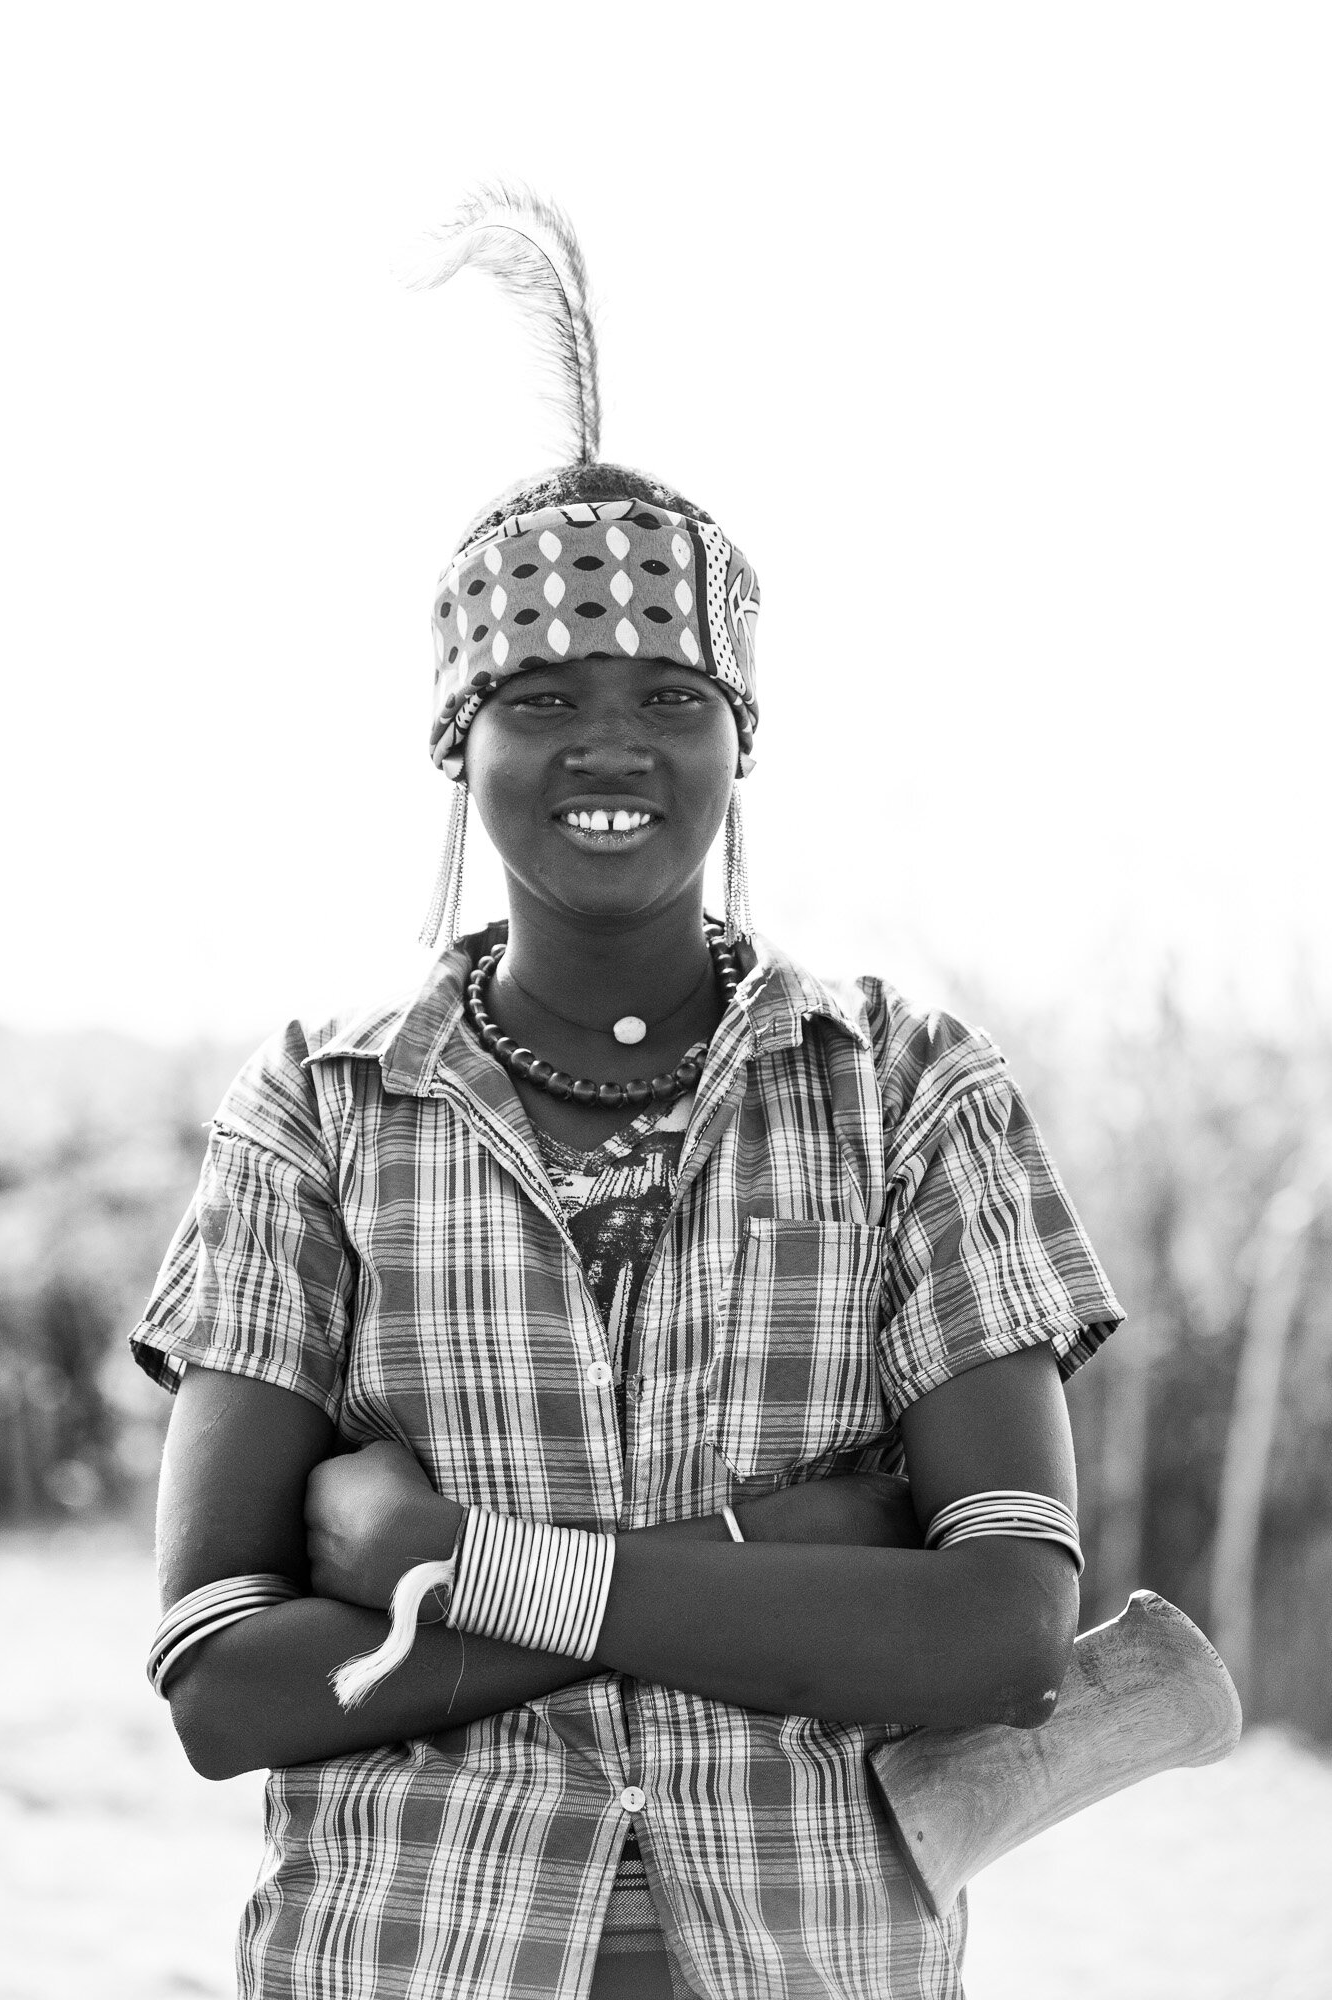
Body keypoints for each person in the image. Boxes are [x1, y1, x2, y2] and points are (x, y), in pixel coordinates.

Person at [133, 189, 1123, 2000]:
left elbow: (1004, 1633)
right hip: (408, 1956)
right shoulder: (322, 1110)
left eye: (671, 692)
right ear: (461, 743)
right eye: (542, 695)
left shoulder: (905, 1088)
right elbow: (222, 1682)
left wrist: (440, 1563)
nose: (612, 743)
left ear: (742, 738)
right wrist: (769, 1565)